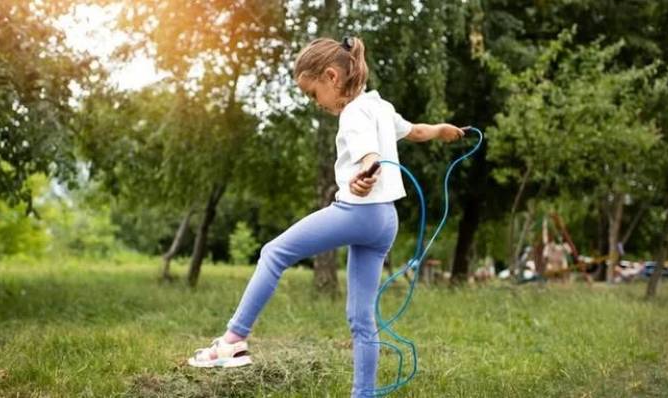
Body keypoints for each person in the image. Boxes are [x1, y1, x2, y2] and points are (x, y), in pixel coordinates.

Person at [187, 36, 464, 397]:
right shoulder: (380, 105)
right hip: (386, 222)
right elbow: (416, 131)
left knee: (274, 252)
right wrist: (443, 130)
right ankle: (363, 393)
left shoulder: (352, 113)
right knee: (361, 318)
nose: (316, 103)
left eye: (313, 93)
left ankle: (232, 341)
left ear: (332, 77)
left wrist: (367, 171)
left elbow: (367, 152)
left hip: (358, 213)